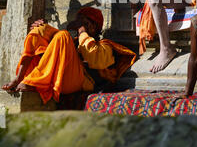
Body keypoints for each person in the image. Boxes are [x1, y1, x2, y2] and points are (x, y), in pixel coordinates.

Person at [2, 7, 136, 104]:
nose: (78, 26)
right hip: (61, 76)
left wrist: (83, 32)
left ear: (94, 26)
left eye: (82, 22)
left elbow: (96, 60)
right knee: (40, 30)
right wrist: (43, 28)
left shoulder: (105, 46)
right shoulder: (73, 43)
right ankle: (19, 78)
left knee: (62, 35)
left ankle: (35, 81)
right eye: (78, 23)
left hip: (80, 83)